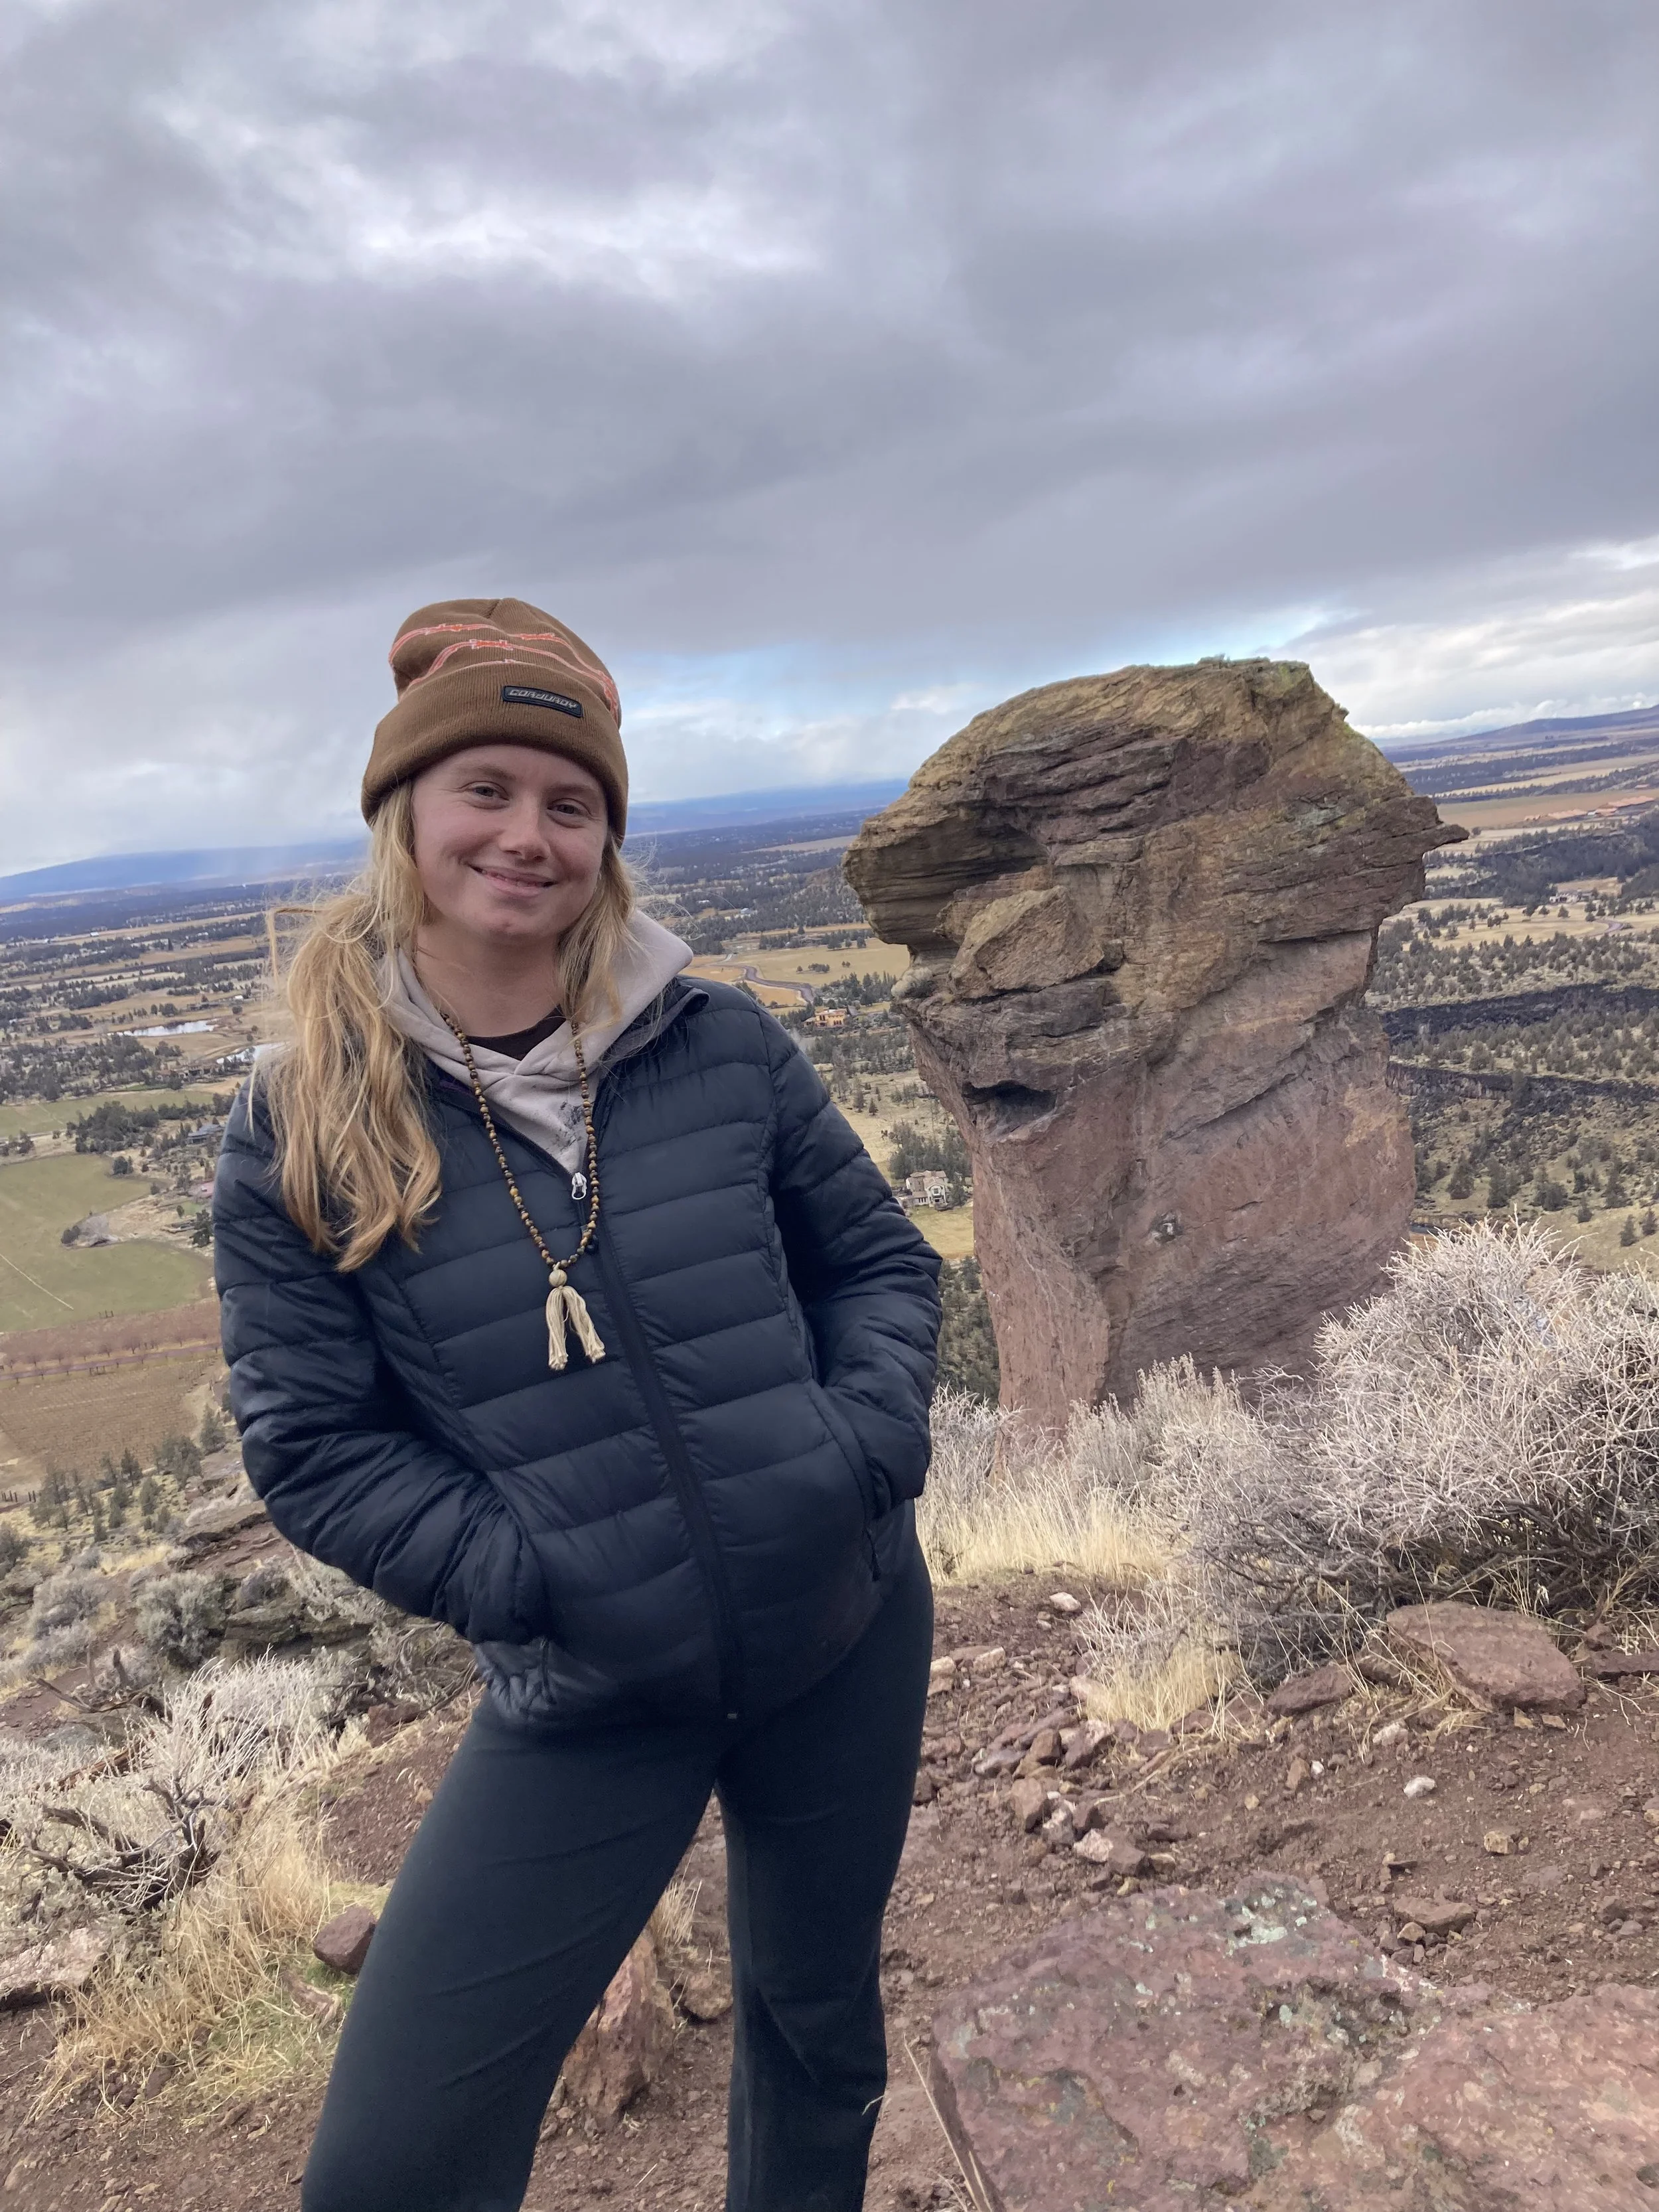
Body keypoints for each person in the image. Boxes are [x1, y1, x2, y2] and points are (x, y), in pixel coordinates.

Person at [212, 597, 942, 2212]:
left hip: (843, 1626)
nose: (525, 836)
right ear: (401, 810)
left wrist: (856, 1451)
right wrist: (526, 1572)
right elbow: (312, 1444)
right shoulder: (304, 1118)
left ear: (607, 837)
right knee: (391, 2165)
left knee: (818, 2031)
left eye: (570, 802)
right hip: (591, 1691)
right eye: (484, 788)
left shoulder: (716, 1039)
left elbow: (879, 1268)